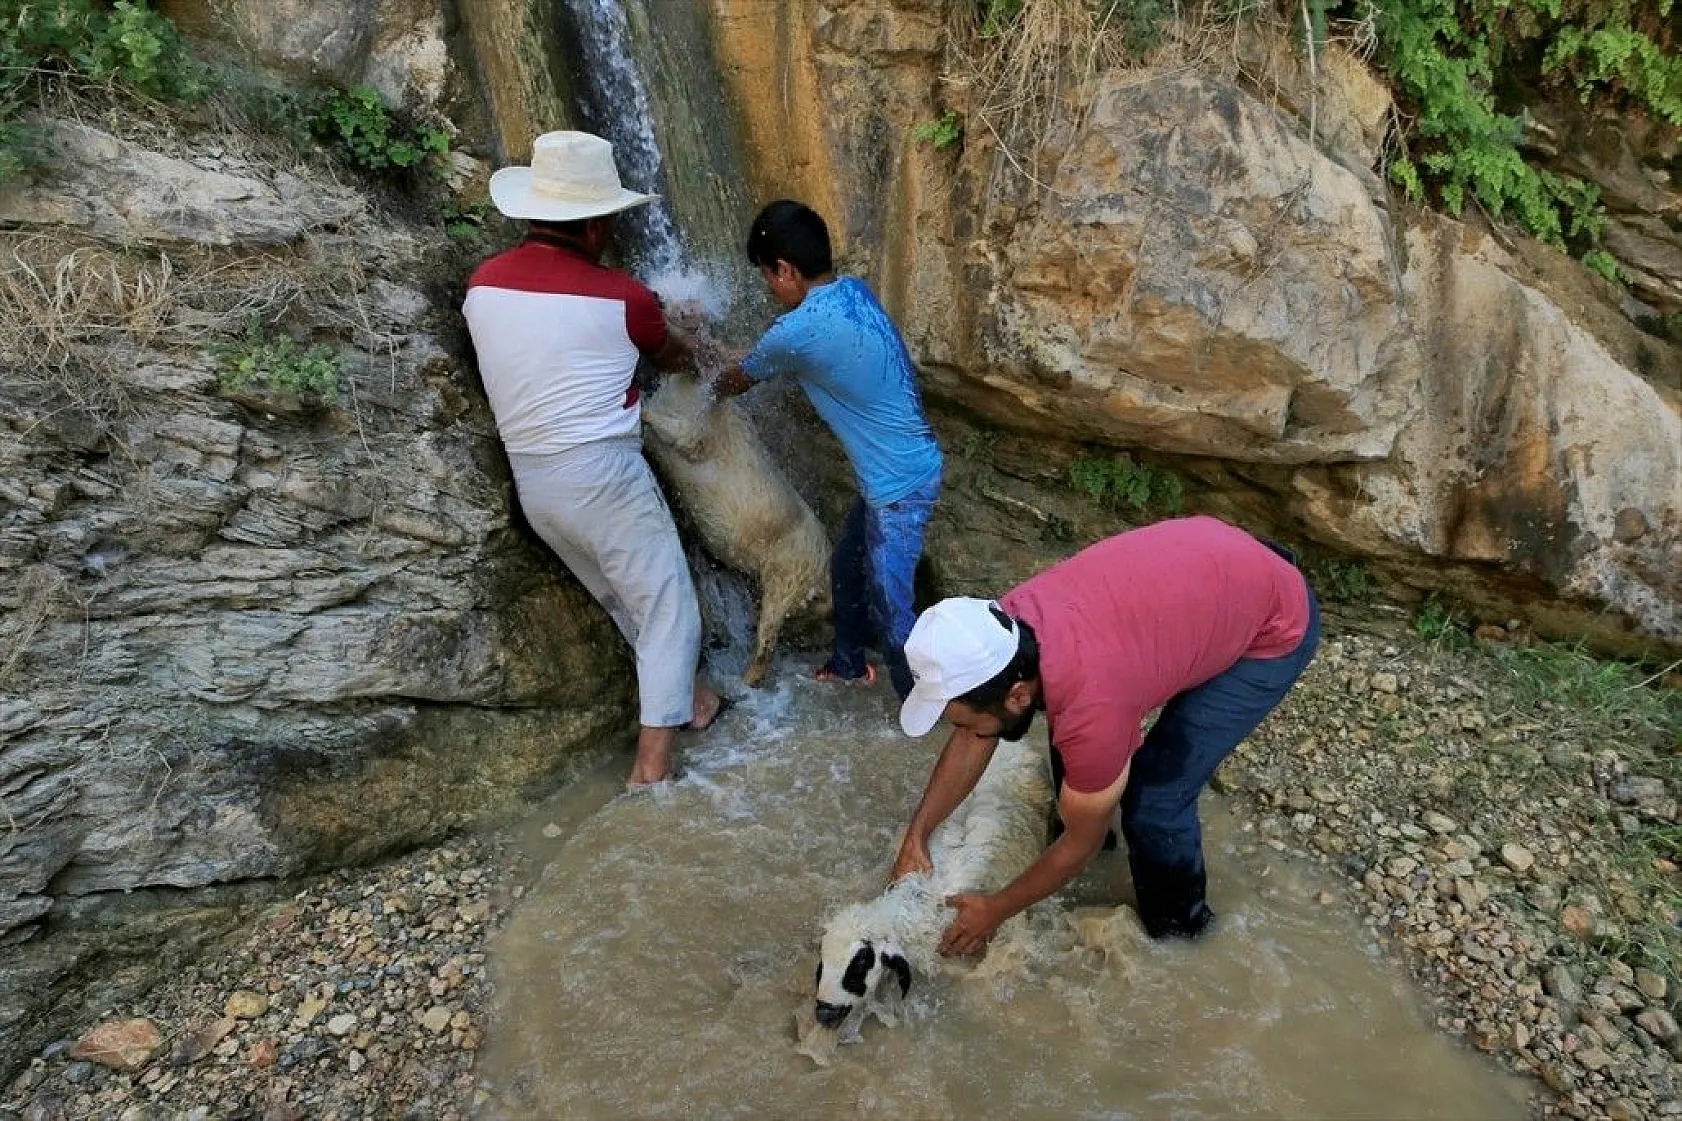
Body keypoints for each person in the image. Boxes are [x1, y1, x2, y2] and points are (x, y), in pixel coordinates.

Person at [888, 515, 1320, 948]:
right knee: (1071, 748)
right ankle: (1092, 815)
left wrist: (997, 909)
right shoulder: (1004, 631)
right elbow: (976, 735)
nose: (963, 732)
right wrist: (917, 835)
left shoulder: (1091, 708)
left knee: (1154, 798)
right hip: (1214, 570)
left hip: (1273, 627)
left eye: (962, 721)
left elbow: (1082, 843)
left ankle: (1183, 938)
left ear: (1017, 694)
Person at [462, 130, 725, 790]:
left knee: (620, 596)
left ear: (532, 212)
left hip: (534, 483)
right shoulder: (624, 297)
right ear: (598, 222)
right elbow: (674, 356)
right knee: (668, 603)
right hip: (603, 475)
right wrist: (712, 353)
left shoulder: (482, 285)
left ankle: (690, 698)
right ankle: (650, 771)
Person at [711, 200, 943, 700]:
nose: (769, 288)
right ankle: (848, 663)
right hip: (902, 470)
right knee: (846, 563)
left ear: (785, 269)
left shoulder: (795, 331)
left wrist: (696, 354)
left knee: (890, 604)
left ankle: (923, 710)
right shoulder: (852, 291)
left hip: (899, 489)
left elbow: (733, 380)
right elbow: (768, 357)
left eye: (767, 276)